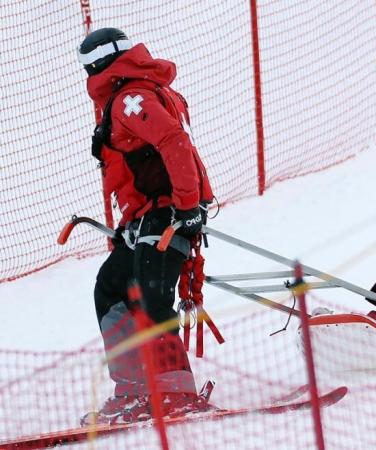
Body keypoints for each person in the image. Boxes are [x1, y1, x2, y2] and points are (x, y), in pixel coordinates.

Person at [77, 28, 215, 424]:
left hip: (169, 210)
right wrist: (130, 223)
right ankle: (135, 388)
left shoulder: (129, 98)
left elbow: (173, 142)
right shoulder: (138, 92)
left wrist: (187, 207)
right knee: (112, 285)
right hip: (148, 214)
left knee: (150, 293)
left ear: (97, 64)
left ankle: (175, 392)